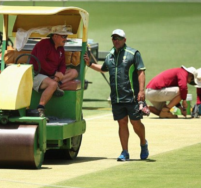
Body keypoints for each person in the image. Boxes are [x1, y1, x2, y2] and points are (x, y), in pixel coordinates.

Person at [84, 29, 149, 161]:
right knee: (122, 123)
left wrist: (141, 91)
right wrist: (89, 64)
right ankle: (125, 152)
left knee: (136, 123)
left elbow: (141, 71)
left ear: (124, 40)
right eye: (114, 38)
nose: (116, 40)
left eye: (119, 38)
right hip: (117, 97)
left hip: (132, 96)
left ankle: (143, 143)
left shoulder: (133, 54)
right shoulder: (110, 56)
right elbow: (103, 69)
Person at [29, 25, 78, 118]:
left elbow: (62, 64)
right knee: (52, 84)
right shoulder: (43, 44)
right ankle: (40, 108)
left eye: (66, 37)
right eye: (64, 36)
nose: (66, 39)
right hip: (38, 74)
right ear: (55, 36)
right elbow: (41, 62)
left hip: (52, 76)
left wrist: (60, 74)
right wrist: (55, 73)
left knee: (74, 72)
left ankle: (56, 83)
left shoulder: (60, 48)